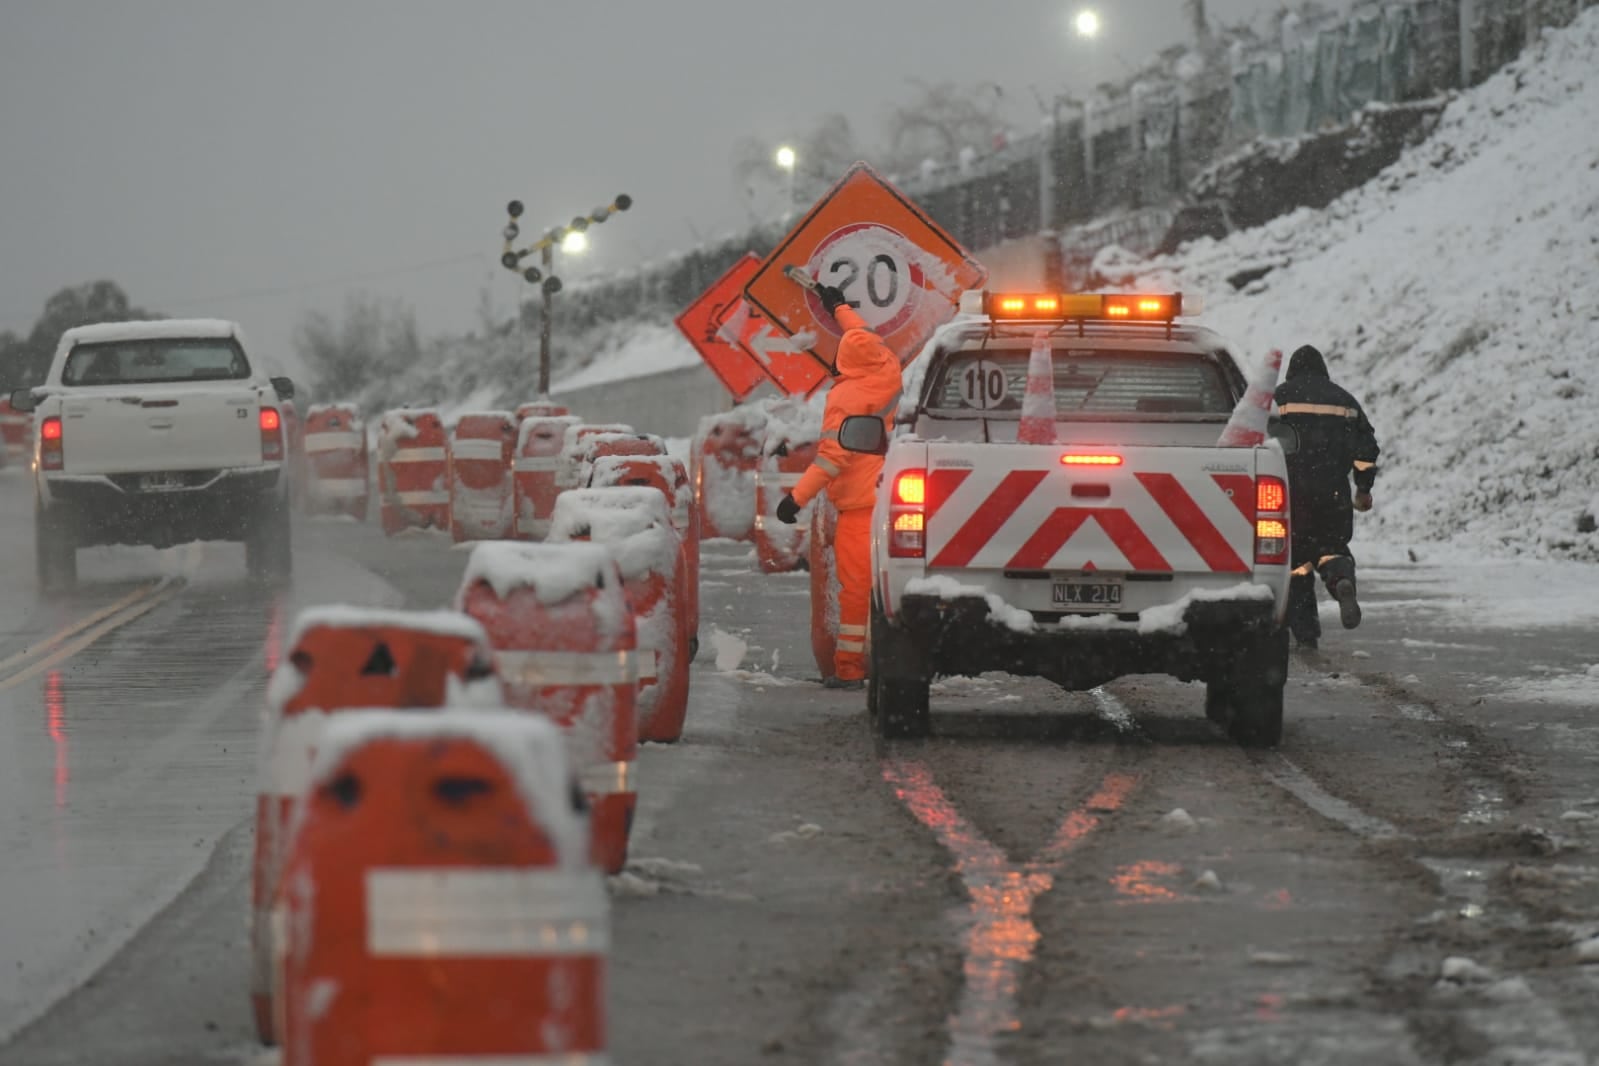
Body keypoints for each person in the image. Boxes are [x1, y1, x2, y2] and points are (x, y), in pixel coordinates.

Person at [775, 283, 903, 689]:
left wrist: (795, 499)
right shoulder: (887, 370)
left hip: (860, 506)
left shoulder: (846, 396)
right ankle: (893, 658)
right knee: (892, 588)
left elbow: (833, 457)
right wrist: (839, 308)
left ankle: (850, 668)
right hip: (892, 500)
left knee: (856, 590)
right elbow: (865, 336)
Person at [1273, 344, 1380, 649]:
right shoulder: (1345, 401)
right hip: (1333, 494)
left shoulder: (1277, 399)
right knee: (1333, 548)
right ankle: (1340, 579)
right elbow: (1366, 451)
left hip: (1288, 495)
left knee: (1296, 564)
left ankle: (1306, 634)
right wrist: (1363, 487)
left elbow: (1257, 440)